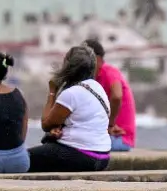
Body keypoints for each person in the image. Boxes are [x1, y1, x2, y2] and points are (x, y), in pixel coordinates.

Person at [28, 45, 112, 173]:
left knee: (23, 159)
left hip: (81, 155)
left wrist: (52, 93)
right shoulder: (98, 88)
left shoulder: (72, 93)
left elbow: (45, 124)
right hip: (103, 156)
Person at [85, 38, 136, 152]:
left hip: (120, 138)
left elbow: (117, 96)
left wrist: (110, 125)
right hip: (107, 136)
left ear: (96, 59)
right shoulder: (94, 78)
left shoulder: (108, 71)